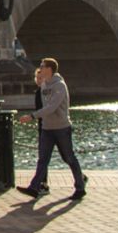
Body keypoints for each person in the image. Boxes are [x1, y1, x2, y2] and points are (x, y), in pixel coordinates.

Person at [17, 58, 87, 200]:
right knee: (43, 159)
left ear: (49, 69)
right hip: (47, 128)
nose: (40, 69)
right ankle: (34, 188)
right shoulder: (43, 86)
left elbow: (51, 107)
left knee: (69, 157)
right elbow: (45, 107)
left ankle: (80, 187)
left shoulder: (60, 86)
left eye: (42, 67)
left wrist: (32, 116)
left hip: (61, 128)